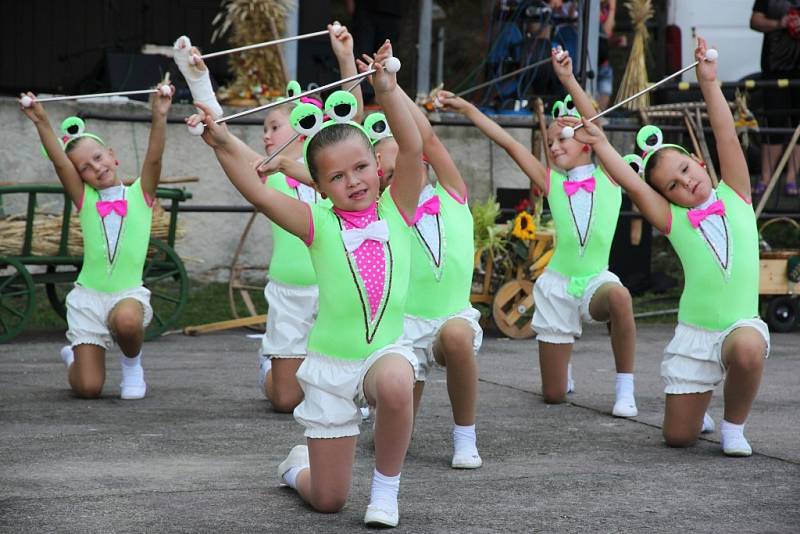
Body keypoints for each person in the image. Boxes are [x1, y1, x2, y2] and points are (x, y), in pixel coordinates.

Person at [187, 41, 424, 528]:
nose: (354, 181)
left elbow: (415, 144)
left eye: (361, 168)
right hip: (331, 368)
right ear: (319, 186)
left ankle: (385, 493)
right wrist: (222, 142)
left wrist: (388, 88)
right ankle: (298, 468)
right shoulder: (317, 223)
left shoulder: (398, 208)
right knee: (328, 501)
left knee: (401, 379)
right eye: (337, 177)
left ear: (378, 168)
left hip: (382, 355)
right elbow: (255, 187)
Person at [564, 38, 769, 456]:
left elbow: (725, 134)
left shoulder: (737, 194)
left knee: (748, 349)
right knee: (677, 438)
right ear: (669, 198)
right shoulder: (675, 221)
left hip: (738, 328)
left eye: (684, 170)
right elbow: (633, 182)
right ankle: (700, 403)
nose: (685, 183)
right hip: (696, 334)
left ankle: (734, 426)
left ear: (697, 159)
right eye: (672, 186)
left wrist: (708, 81)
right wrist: (601, 144)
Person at [436, 46, 638, 418]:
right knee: (554, 396)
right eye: (550, 142)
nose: (555, 145)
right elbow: (509, 143)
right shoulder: (553, 184)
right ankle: (563, 368)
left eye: (563, 139)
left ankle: (625, 387)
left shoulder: (610, 176)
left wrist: (567, 78)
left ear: (587, 141)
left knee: (621, 298)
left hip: (596, 281)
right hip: (558, 286)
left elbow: (596, 118)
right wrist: (468, 109)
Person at [174, 24, 361, 413]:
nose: (265, 136)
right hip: (290, 294)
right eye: (263, 129)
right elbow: (223, 136)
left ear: (306, 123)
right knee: (286, 401)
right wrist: (199, 80)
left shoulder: (337, 173)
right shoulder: (271, 171)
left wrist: (345, 56)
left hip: (335, 293)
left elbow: (350, 120)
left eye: (273, 126)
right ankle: (273, 371)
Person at [357, 55, 484, 469]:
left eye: (406, 166)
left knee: (457, 336)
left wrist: (390, 88)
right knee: (389, 443)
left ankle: (465, 436)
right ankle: (365, 396)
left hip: (450, 319)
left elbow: (426, 139)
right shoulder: (386, 211)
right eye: (389, 175)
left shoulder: (452, 192)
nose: (401, 178)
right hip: (404, 327)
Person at [19, 81, 174, 400]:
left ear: (113, 156)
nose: (96, 168)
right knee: (88, 388)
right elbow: (60, 162)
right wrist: (41, 121)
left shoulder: (140, 194)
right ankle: (74, 357)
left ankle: (132, 366)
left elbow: (155, 159)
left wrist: (159, 115)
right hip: (89, 298)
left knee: (129, 320)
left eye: (99, 158)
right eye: (85, 168)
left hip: (126, 294)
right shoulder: (84, 199)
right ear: (80, 177)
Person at [750, 1, 800, 197]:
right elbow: (754, 21)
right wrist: (780, 23)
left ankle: (791, 179)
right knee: (773, 124)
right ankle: (766, 179)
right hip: (774, 69)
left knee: (798, 126)